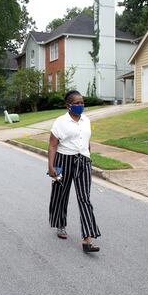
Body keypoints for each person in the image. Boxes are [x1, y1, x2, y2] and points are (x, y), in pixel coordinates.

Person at [48, 90, 101, 253]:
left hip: (83, 161)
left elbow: (87, 141)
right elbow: (52, 145)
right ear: (68, 105)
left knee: (84, 198)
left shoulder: (86, 120)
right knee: (60, 193)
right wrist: (51, 166)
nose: (80, 106)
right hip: (62, 161)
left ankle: (87, 239)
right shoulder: (60, 122)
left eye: (82, 103)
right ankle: (60, 224)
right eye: (76, 103)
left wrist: (89, 157)